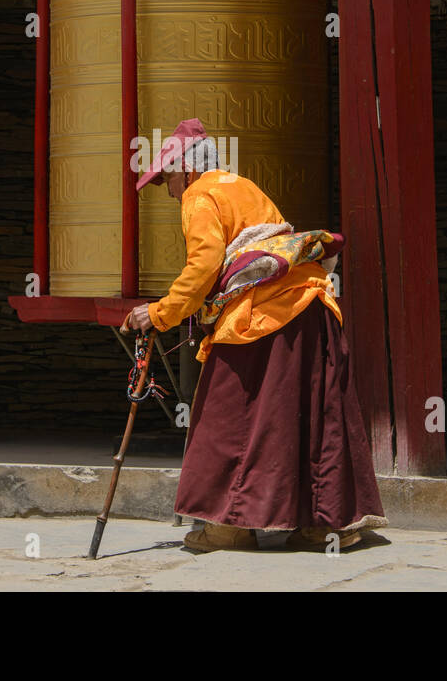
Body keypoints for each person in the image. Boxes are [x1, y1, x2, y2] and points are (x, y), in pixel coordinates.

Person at [121, 118, 387, 552]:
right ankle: (325, 526)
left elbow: (204, 265)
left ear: (187, 170)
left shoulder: (199, 194)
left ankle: (229, 527)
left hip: (261, 318)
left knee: (229, 416)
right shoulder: (242, 186)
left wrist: (160, 313)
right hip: (310, 308)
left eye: (167, 177)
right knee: (308, 416)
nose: (168, 189)